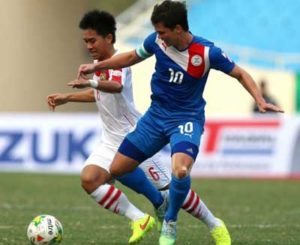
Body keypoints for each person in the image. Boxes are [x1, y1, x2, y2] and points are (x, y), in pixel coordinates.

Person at [48, 9, 231, 245]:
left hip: (135, 135)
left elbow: (113, 86)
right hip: (110, 140)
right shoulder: (97, 64)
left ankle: (213, 223)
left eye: (93, 40)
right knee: (90, 179)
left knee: (173, 188)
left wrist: (92, 79)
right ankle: (140, 218)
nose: (89, 45)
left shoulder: (119, 62)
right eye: (86, 41)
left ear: (109, 38)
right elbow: (99, 94)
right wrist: (67, 97)